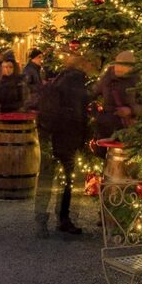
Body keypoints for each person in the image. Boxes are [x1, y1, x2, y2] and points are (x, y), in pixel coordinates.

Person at [35, 54, 94, 237]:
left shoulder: (59, 78)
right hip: (67, 137)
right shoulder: (78, 83)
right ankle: (63, 219)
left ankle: (41, 220)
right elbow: (79, 114)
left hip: (50, 135)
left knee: (46, 178)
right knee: (66, 181)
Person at [94, 50, 142, 141]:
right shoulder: (106, 78)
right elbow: (92, 93)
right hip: (105, 127)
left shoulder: (137, 80)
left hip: (125, 128)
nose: (119, 68)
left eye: (124, 65)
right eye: (118, 64)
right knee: (102, 153)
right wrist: (97, 115)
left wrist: (130, 110)